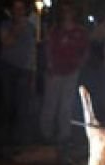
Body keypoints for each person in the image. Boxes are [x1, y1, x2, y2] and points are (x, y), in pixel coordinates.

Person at [39, 2, 88, 145]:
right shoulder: (55, 30)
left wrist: (79, 65)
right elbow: (48, 48)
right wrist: (49, 65)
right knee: (50, 103)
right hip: (54, 71)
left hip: (71, 72)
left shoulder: (80, 32)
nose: (67, 14)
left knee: (66, 105)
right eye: (65, 11)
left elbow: (85, 51)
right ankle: (46, 133)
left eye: (70, 11)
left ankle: (64, 135)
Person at [0, 0, 36, 144]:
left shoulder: (31, 27)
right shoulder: (6, 24)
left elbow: (32, 50)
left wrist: (33, 71)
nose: (18, 11)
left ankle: (20, 139)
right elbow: (6, 41)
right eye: (15, 8)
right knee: (7, 103)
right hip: (8, 67)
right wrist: (17, 27)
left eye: (21, 8)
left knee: (22, 105)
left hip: (24, 70)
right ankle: (3, 136)